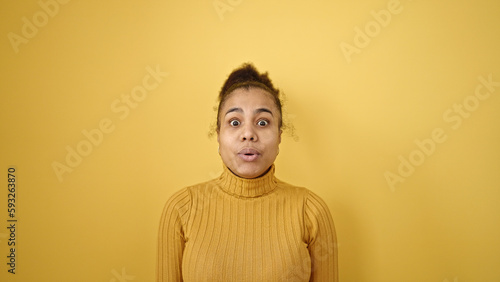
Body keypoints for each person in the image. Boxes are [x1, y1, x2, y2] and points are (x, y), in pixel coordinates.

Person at [157, 63, 338, 281]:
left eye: (262, 122)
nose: (248, 134)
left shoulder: (311, 212)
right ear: (218, 135)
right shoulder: (181, 209)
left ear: (280, 136)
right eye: (234, 122)